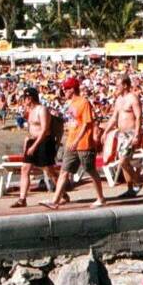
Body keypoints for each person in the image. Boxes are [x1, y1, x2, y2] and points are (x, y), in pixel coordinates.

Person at [46, 77, 106, 210]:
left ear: (72, 89)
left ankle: (101, 198)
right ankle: (55, 200)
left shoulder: (83, 102)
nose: (64, 90)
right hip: (71, 142)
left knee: (90, 170)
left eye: (66, 88)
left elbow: (86, 124)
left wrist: (77, 140)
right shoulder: (70, 103)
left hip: (83, 143)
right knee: (64, 171)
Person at [12, 86, 59, 208]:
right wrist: (28, 140)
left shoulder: (42, 110)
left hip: (43, 141)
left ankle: (61, 191)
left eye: (25, 98)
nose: (24, 100)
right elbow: (32, 128)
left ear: (31, 98)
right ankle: (22, 199)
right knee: (25, 169)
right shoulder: (29, 111)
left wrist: (35, 146)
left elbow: (44, 130)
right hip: (32, 140)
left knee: (49, 170)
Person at [102, 75, 143, 199]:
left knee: (123, 161)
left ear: (125, 85)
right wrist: (106, 132)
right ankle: (130, 189)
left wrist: (136, 134)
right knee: (123, 163)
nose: (116, 87)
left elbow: (138, 117)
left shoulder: (133, 98)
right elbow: (114, 118)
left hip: (130, 133)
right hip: (121, 134)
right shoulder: (119, 100)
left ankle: (138, 182)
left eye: (118, 85)